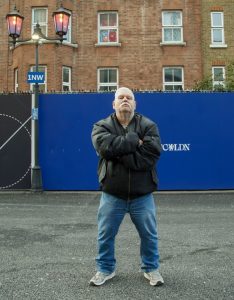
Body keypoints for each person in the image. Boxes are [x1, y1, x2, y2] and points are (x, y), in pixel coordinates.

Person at [90, 87, 163, 286]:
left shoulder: (148, 126)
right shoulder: (101, 126)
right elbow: (105, 148)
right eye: (120, 97)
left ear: (134, 103)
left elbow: (150, 156)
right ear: (113, 104)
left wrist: (119, 152)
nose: (124, 100)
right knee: (105, 235)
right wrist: (133, 141)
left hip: (142, 194)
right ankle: (105, 269)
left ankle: (151, 269)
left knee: (149, 235)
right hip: (112, 194)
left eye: (129, 97)